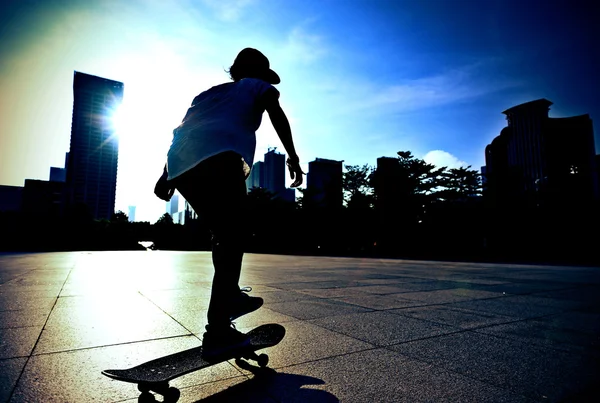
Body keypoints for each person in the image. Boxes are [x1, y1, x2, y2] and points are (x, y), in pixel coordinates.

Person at [154, 48, 304, 357]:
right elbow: (276, 112)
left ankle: (230, 298)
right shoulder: (256, 86)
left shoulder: (206, 95)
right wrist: (292, 154)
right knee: (233, 235)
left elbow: (183, 133)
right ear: (259, 75)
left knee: (223, 235)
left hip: (183, 166)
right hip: (221, 160)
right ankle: (219, 330)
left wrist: (166, 175)